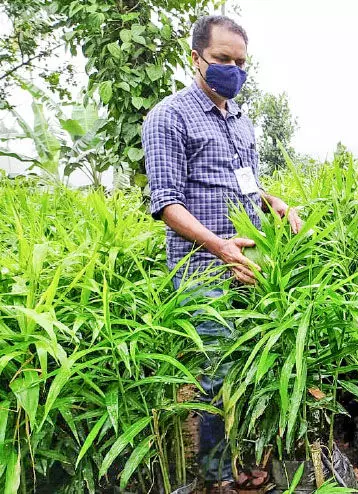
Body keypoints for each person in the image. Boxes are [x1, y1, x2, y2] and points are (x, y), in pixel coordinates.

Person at [143, 15, 301, 494]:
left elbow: (243, 184)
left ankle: (236, 462)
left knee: (249, 367)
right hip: (202, 270)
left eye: (240, 62)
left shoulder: (241, 120)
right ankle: (216, 477)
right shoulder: (169, 117)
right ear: (196, 58)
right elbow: (166, 203)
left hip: (247, 266)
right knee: (217, 375)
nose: (233, 70)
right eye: (222, 59)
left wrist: (273, 203)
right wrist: (219, 246)